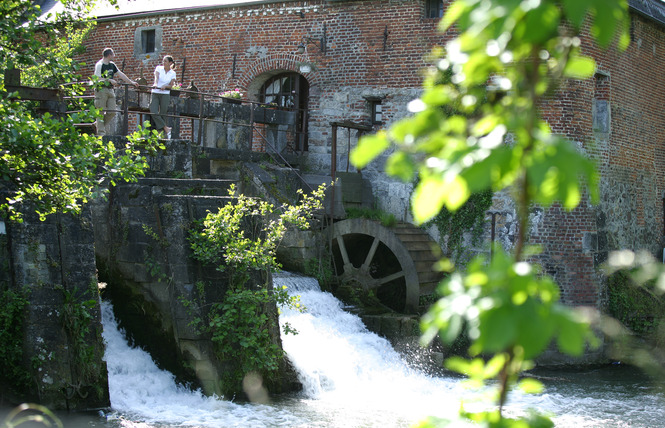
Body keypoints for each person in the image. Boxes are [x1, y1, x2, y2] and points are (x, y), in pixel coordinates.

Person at [94, 48, 138, 136]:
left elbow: (121, 74)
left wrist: (131, 82)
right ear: (109, 55)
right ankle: (101, 134)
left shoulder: (112, 65)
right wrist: (109, 80)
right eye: (113, 54)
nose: (114, 56)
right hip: (101, 90)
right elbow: (97, 78)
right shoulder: (100, 65)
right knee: (101, 112)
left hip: (110, 90)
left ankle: (98, 125)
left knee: (112, 111)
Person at [150, 55, 177, 139]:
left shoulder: (173, 73)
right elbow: (156, 78)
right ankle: (166, 128)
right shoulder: (158, 68)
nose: (163, 62)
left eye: (165, 61)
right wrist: (155, 84)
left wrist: (165, 86)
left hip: (165, 94)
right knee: (153, 110)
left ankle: (161, 135)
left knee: (163, 113)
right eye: (163, 61)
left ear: (170, 63)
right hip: (155, 92)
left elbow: (171, 85)